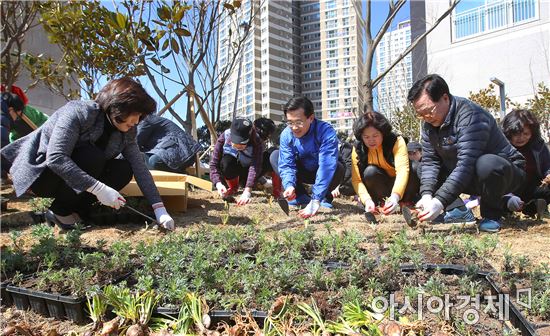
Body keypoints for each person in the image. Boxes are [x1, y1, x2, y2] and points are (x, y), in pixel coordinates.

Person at [0, 77, 175, 231]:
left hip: (76, 177)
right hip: (43, 175)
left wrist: (159, 209)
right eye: (135, 114)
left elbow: (140, 167)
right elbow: (56, 158)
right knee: (93, 156)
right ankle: (61, 210)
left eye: (140, 116)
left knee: (123, 168)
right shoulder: (78, 112)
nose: (137, 121)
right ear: (117, 107)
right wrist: (99, 189)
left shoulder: (127, 131)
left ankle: (70, 210)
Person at [407, 74, 525, 232]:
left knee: (487, 163)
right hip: (470, 176)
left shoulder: (470, 116)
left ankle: (492, 216)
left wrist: (440, 201)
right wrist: (427, 194)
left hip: (505, 173)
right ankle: (458, 211)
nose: (426, 118)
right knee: (422, 166)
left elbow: (466, 163)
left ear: (445, 98)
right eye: (420, 114)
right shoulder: (429, 126)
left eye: (429, 111)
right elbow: (430, 161)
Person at [270, 96, 344, 218]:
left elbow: (326, 166)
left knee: (337, 167)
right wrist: (289, 185)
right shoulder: (286, 134)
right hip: (302, 171)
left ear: (311, 118)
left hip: (321, 171)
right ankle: (299, 195)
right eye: (290, 122)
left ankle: (323, 197)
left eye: (299, 122)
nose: (294, 127)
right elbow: (287, 164)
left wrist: (316, 199)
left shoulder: (326, 131)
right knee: (275, 156)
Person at [351, 111, 420, 217]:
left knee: (414, 167)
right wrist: (367, 200)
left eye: (375, 135)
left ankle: (407, 202)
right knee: (370, 172)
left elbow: (402, 171)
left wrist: (395, 196)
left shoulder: (396, 141)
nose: (371, 141)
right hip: (379, 186)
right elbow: (357, 180)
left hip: (401, 185)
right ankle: (382, 203)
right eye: (366, 137)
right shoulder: (358, 149)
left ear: (383, 133)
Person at [501, 109, 549, 218]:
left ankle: (533, 207)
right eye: (516, 134)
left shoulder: (538, 146)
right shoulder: (500, 147)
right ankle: (506, 208)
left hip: (531, 187)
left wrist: (548, 174)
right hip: (506, 189)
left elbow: (547, 166)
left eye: (526, 133)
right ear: (508, 133)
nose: (521, 138)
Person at [210, 118, 263, 206]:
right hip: (232, 167)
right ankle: (233, 186)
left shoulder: (256, 141)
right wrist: (218, 184)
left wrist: (247, 191)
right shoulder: (224, 136)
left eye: (242, 144)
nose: (238, 146)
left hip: (247, 169)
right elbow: (214, 164)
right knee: (226, 162)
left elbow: (255, 166)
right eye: (235, 143)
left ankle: (246, 184)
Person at [137, 114, 201, 173]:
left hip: (184, 152)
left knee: (154, 161)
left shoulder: (146, 120)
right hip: (177, 152)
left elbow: (135, 143)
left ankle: (183, 175)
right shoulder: (143, 120)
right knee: (141, 159)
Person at [253, 117, 281, 197]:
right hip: (241, 174)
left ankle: (277, 190)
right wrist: (264, 181)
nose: (269, 136)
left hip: (254, 175)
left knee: (274, 153)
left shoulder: (262, 144)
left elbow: (257, 165)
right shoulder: (242, 139)